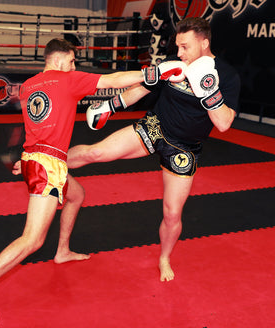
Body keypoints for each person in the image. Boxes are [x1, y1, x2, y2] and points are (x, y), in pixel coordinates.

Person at [0, 38, 184, 324]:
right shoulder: (67, 79)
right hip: (48, 166)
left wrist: (27, 159)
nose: (74, 65)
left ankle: (62, 250)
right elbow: (112, 80)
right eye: (73, 60)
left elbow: (38, 125)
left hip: (36, 158)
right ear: (61, 58)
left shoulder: (29, 86)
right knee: (32, 239)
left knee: (76, 195)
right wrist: (154, 72)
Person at [67, 17, 241, 282]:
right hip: (155, 127)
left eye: (185, 46)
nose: (180, 53)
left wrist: (207, 89)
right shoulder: (175, 62)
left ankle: (164, 258)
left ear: (204, 43)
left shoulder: (227, 75)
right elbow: (142, 88)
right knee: (96, 152)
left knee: (172, 213)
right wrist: (110, 106)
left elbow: (224, 123)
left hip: (184, 147)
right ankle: (46, 160)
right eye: (178, 46)